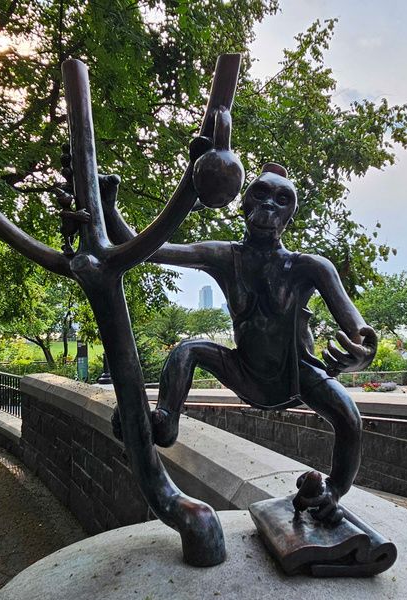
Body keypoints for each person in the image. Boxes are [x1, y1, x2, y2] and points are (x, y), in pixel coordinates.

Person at [102, 161, 378, 524]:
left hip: (296, 374)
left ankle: (332, 491)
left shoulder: (310, 266)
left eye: (282, 200)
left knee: (349, 419)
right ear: (244, 205)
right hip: (245, 370)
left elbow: (359, 329)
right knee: (188, 350)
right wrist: (108, 209)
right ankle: (165, 422)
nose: (268, 206)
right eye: (260, 195)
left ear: (290, 216)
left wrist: (360, 355)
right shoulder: (223, 256)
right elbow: (150, 249)